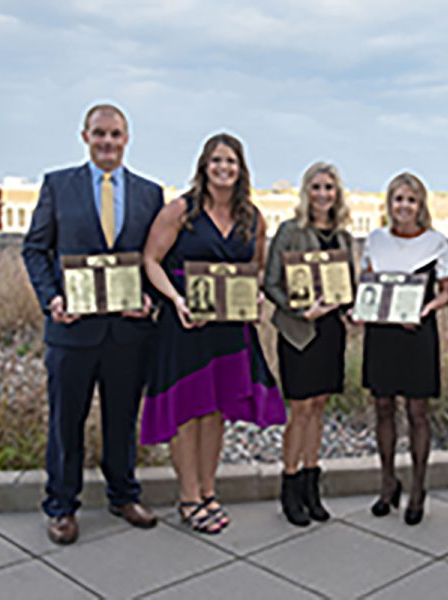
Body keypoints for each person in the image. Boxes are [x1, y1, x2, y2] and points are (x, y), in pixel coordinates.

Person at [22, 103, 163, 545]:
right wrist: (51, 299)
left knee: (122, 420)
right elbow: (35, 249)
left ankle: (124, 495)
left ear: (127, 138)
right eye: (99, 133)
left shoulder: (149, 194)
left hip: (127, 332)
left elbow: (158, 260)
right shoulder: (57, 185)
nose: (107, 141)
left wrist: (150, 298)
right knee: (67, 422)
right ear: (84, 136)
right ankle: (61, 507)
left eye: (116, 134)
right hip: (72, 329)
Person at [140, 133, 286, 534]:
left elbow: (255, 268)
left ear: (241, 169)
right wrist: (175, 300)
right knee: (188, 411)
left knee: (216, 411)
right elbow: (150, 261)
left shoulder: (253, 218)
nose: (224, 168)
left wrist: (256, 295)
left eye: (232, 161)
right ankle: (188, 497)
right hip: (186, 325)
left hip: (229, 329)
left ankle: (208, 490)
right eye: (217, 160)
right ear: (205, 165)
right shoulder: (180, 211)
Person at [264, 161, 355, 526]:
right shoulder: (289, 231)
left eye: (329, 188)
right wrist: (300, 312)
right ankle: (290, 485)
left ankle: (311, 484)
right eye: (316, 187)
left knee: (319, 406)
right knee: (299, 408)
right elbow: (270, 284)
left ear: (337, 194)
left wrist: (348, 305)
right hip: (300, 332)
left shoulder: (344, 237)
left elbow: (347, 285)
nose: (322, 195)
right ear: (306, 192)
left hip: (331, 331)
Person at [359, 172, 448, 525]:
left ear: (421, 205)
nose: (404, 206)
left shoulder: (436, 242)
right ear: (389, 204)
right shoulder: (375, 239)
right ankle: (387, 483)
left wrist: (427, 310)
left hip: (417, 333)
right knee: (383, 407)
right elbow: (366, 283)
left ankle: (417, 488)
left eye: (411, 200)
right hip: (381, 333)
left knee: (417, 411)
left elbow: (447, 291)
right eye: (398, 199)